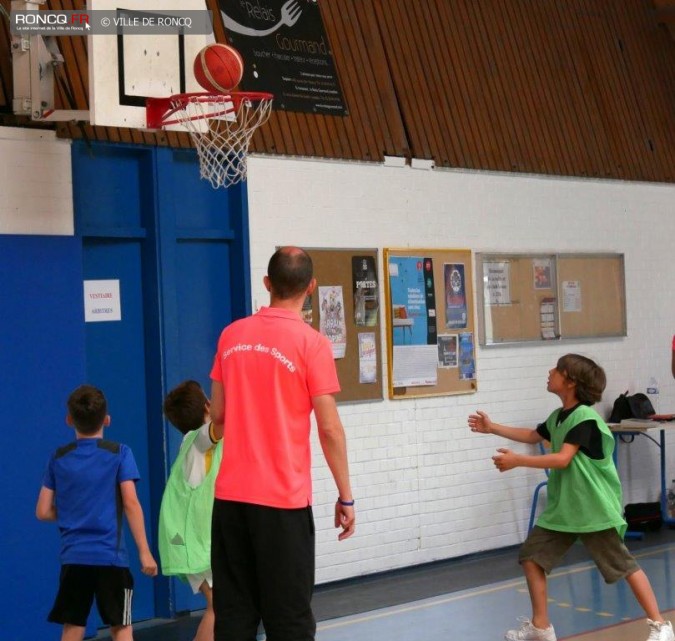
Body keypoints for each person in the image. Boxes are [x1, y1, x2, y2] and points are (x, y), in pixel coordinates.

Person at [468, 354, 675, 641]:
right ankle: (541, 628)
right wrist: (493, 428)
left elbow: (564, 459)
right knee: (532, 556)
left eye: (556, 369)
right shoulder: (558, 418)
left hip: (593, 509)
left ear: (570, 381)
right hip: (565, 510)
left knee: (624, 565)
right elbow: (532, 434)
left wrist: (518, 461)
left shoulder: (586, 419)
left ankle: (660, 626)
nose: (550, 371)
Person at [209, 246, 355, 641]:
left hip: (230, 503)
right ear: (311, 287)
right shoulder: (312, 344)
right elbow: (330, 429)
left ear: (267, 284)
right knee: (288, 620)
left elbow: (218, 417)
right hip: (281, 506)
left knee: (234, 617)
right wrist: (346, 496)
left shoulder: (230, 336)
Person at [36, 384, 158, 641]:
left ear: (69, 420)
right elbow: (131, 503)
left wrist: (73, 511)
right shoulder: (120, 453)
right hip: (111, 558)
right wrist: (145, 552)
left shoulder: (58, 457)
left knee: (73, 625)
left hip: (74, 558)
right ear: (107, 419)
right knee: (121, 626)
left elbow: (43, 511)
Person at [158, 380, 222, 641]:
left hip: (195, 542)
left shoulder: (193, 442)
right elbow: (226, 423)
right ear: (208, 405)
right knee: (219, 608)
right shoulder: (200, 439)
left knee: (220, 607)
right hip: (197, 542)